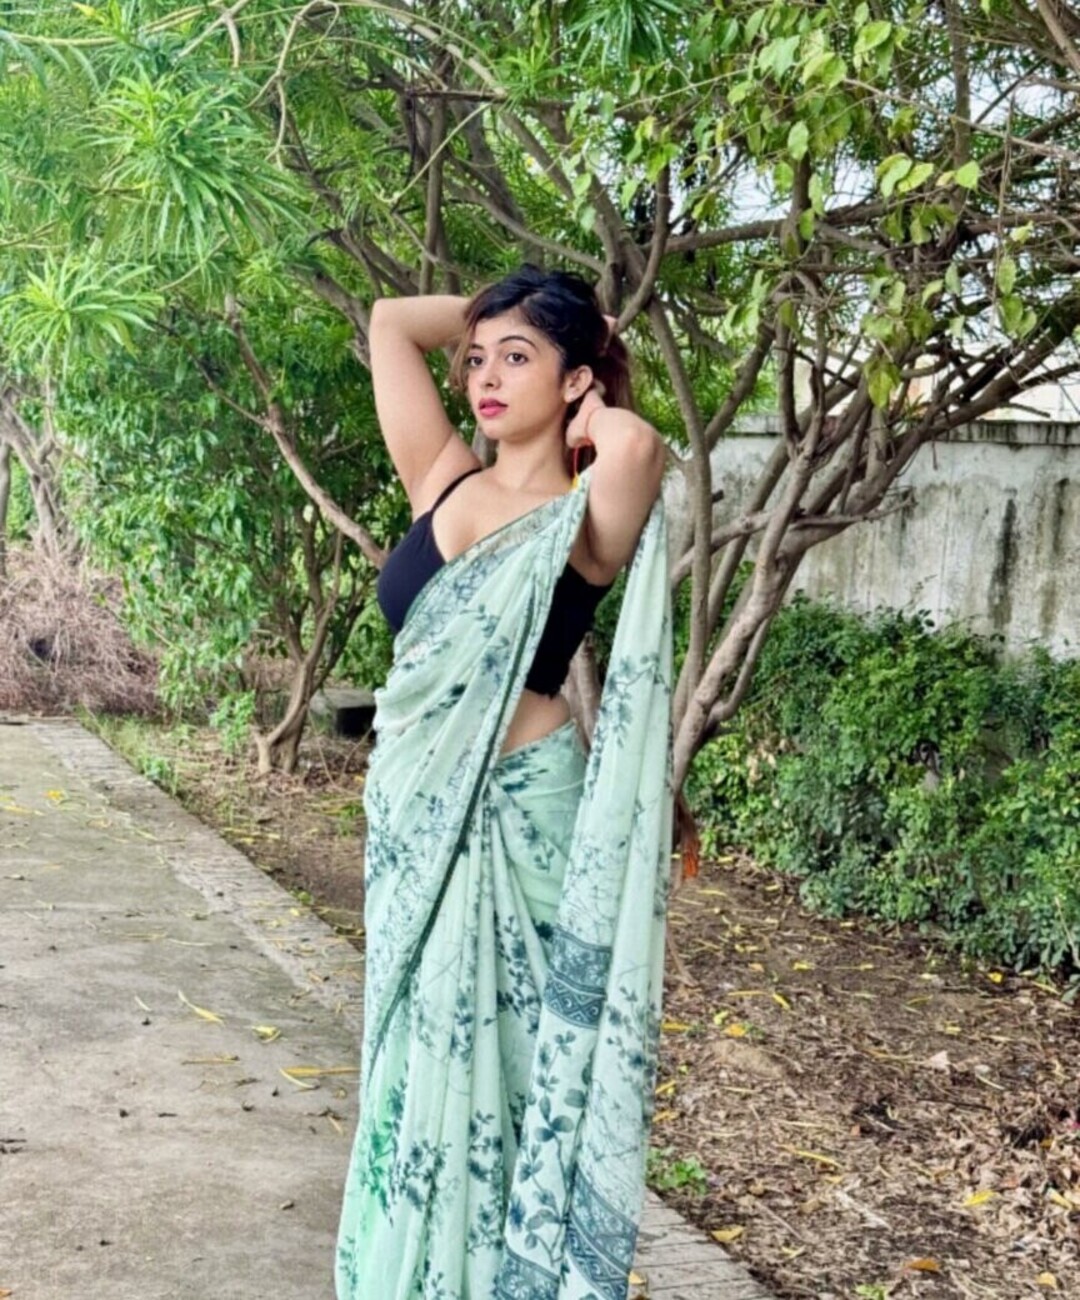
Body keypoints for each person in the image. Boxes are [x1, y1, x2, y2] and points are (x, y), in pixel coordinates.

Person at [336, 265, 674, 1300]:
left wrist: (593, 383)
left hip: (525, 813)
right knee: (415, 1058)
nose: (484, 375)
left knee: (519, 1068)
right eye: (478, 358)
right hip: (415, 818)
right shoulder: (441, 479)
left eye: (516, 359)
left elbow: (639, 447)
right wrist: (508, 316)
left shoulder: (587, 509)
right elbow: (393, 323)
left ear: (574, 380)